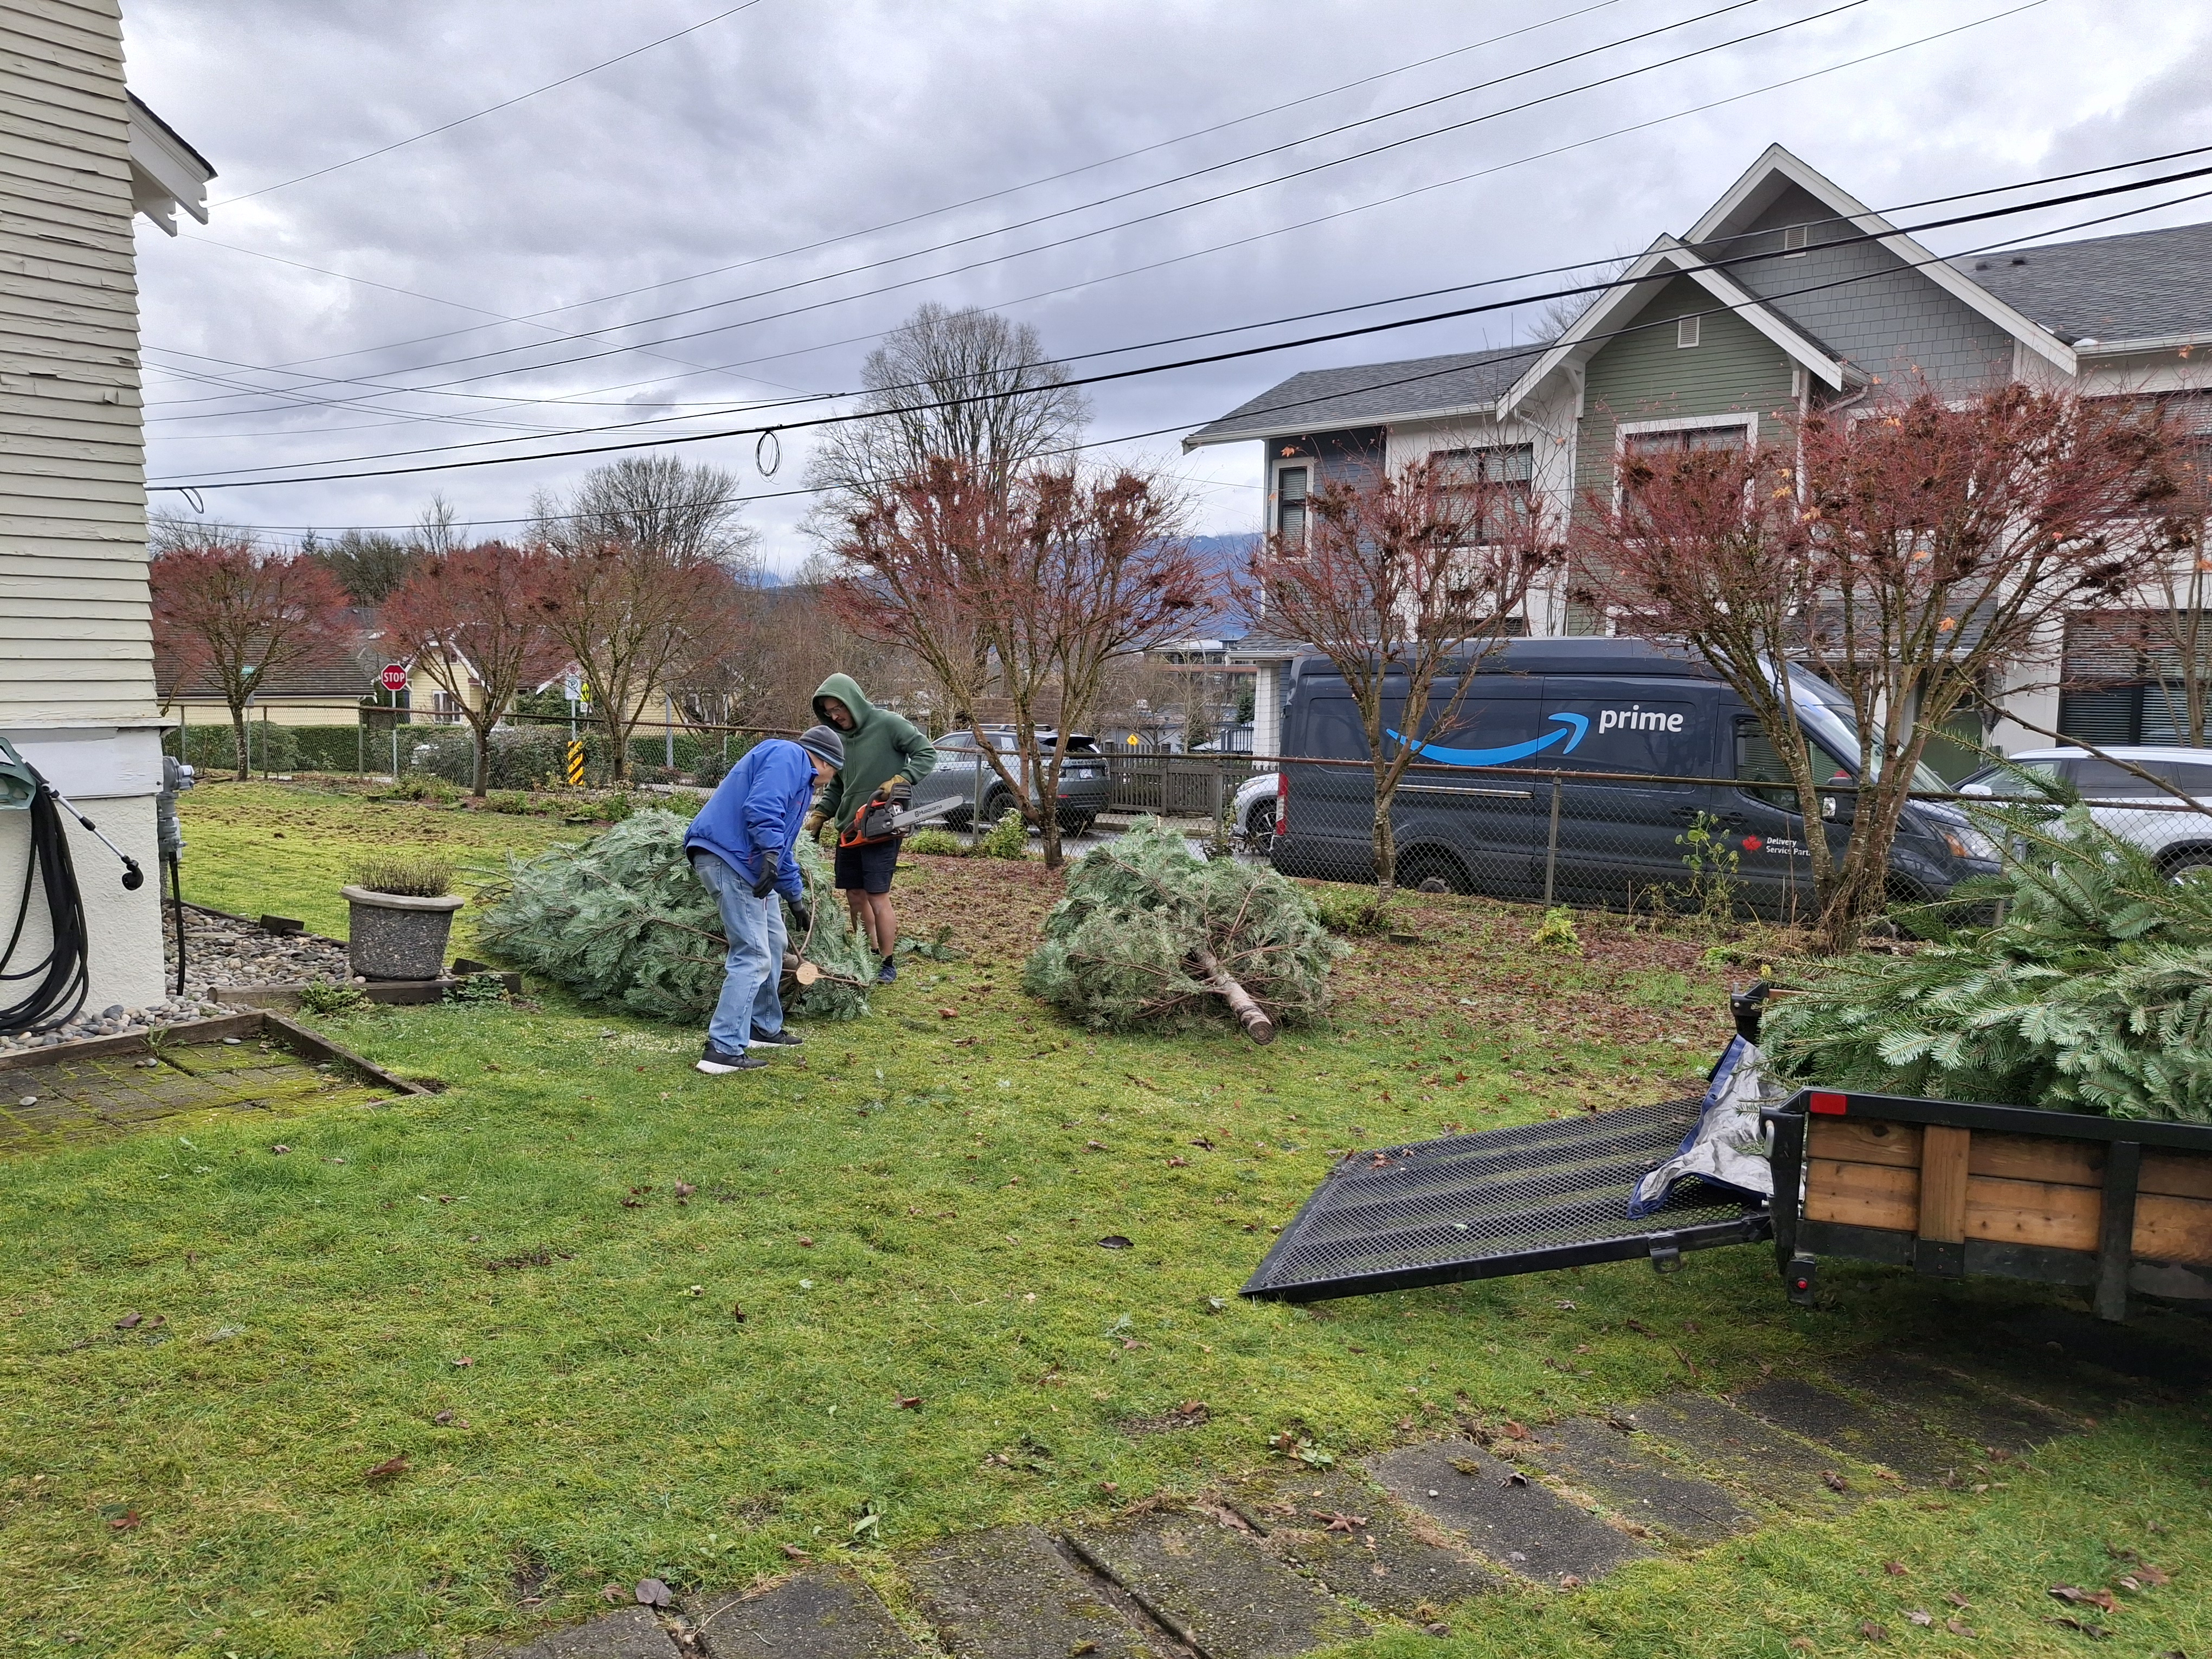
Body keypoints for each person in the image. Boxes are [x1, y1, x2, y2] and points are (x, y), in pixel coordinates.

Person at [684, 724, 844, 1075]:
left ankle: (763, 1027)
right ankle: (722, 1048)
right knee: (753, 954)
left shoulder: (799, 778)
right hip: (730, 858)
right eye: (834, 772)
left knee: (772, 942)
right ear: (825, 762)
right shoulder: (790, 755)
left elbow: (783, 848)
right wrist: (770, 853)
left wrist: (795, 898)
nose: (830, 781)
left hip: (746, 861)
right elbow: (762, 808)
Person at [802, 674, 936, 984]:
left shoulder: (889, 724)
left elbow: (926, 753)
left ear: (852, 701)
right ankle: (868, 952)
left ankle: (888, 962)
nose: (835, 716)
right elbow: (838, 785)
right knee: (854, 895)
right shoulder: (839, 739)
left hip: (882, 824)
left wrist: (902, 779)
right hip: (850, 827)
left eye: (838, 709)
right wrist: (820, 815)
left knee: (878, 896)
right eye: (829, 712)